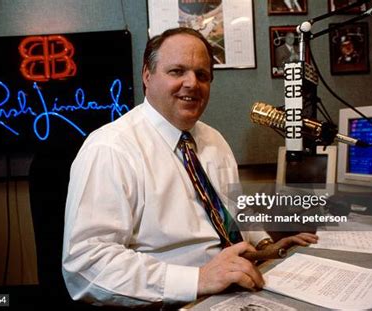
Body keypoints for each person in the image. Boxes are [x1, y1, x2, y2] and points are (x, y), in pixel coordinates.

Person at [62, 27, 317, 308]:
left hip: (234, 291)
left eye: (202, 75)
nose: (192, 84)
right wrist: (197, 279)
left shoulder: (214, 140)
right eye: (177, 71)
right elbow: (86, 265)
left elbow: (234, 215)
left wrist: (266, 248)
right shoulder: (111, 149)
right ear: (147, 75)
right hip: (170, 302)